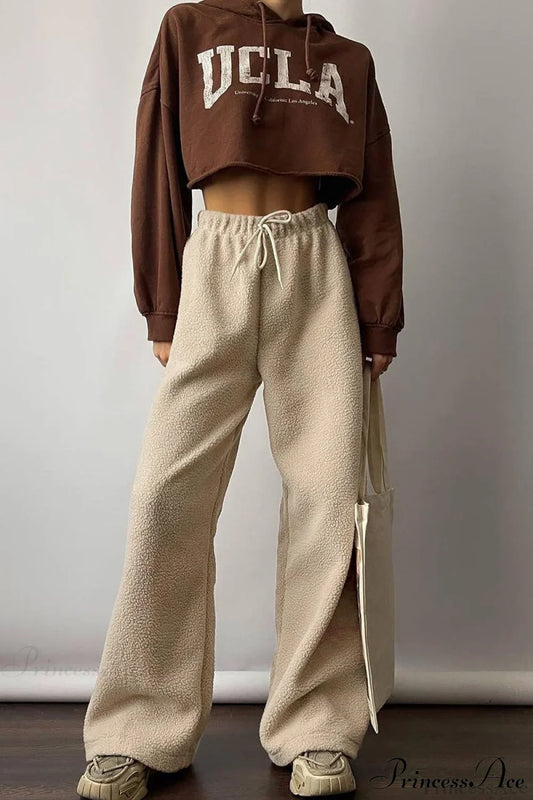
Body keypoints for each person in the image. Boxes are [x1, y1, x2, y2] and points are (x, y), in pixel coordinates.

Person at [77, 0, 404, 797]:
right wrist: (163, 304)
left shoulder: (348, 61)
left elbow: (373, 197)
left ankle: (317, 727)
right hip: (214, 266)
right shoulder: (189, 29)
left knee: (328, 501)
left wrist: (375, 317)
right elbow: (157, 159)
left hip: (315, 271)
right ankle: (137, 728)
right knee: (165, 496)